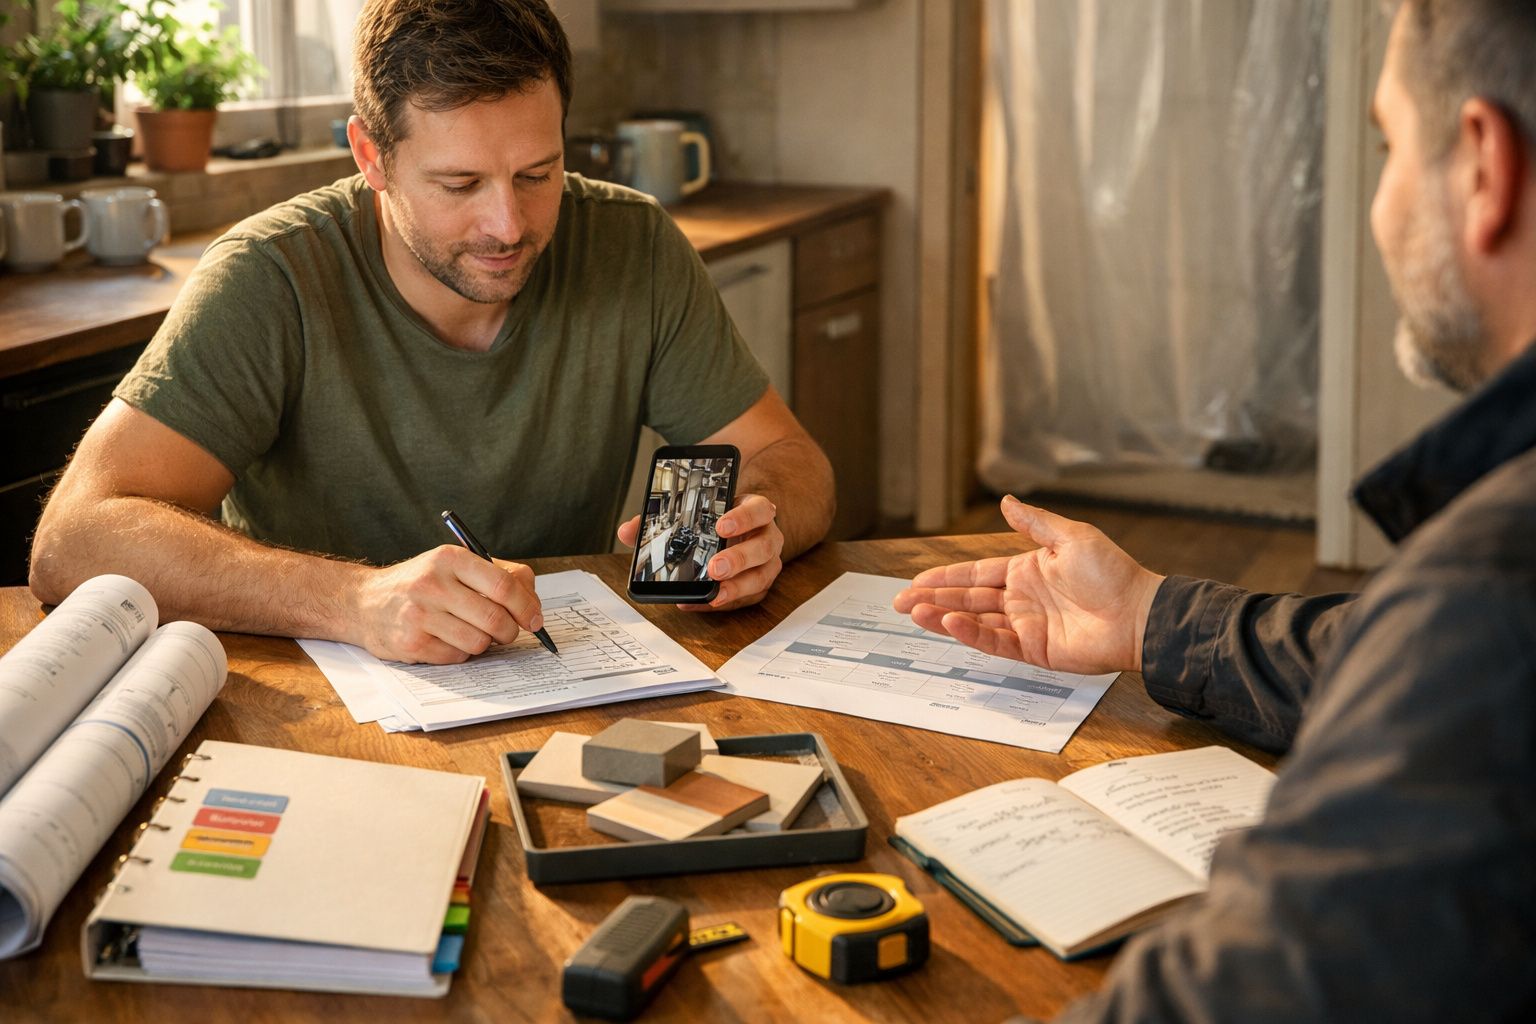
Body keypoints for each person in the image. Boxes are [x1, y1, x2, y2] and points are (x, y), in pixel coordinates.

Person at [896, 1, 1536, 1019]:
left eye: (1387, 145)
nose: (1377, 206)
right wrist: (1150, 617)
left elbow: (1242, 990)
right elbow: (1379, 650)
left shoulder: (1493, 590)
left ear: (1483, 167)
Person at [28, 0, 834, 665]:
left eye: (537, 174)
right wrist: (351, 600)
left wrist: (761, 525)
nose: (508, 224)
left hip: (563, 683)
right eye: (459, 183)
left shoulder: (633, 244)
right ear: (370, 155)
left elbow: (793, 463)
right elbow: (73, 540)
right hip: (317, 712)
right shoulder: (268, 277)